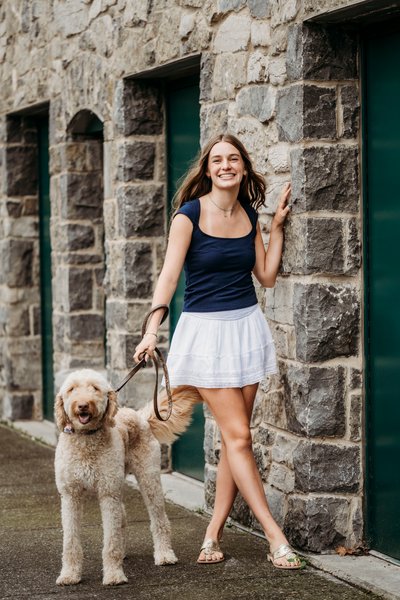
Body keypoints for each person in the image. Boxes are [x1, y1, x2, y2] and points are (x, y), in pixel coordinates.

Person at [133, 133, 304, 569]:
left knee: (235, 441)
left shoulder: (248, 214)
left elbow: (265, 276)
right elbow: (168, 279)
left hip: (245, 330)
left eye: (233, 159)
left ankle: (211, 534)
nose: (225, 165)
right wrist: (152, 331)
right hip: (206, 335)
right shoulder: (187, 216)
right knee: (241, 437)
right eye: (217, 160)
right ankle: (274, 535)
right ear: (208, 170)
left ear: (243, 167)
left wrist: (276, 228)